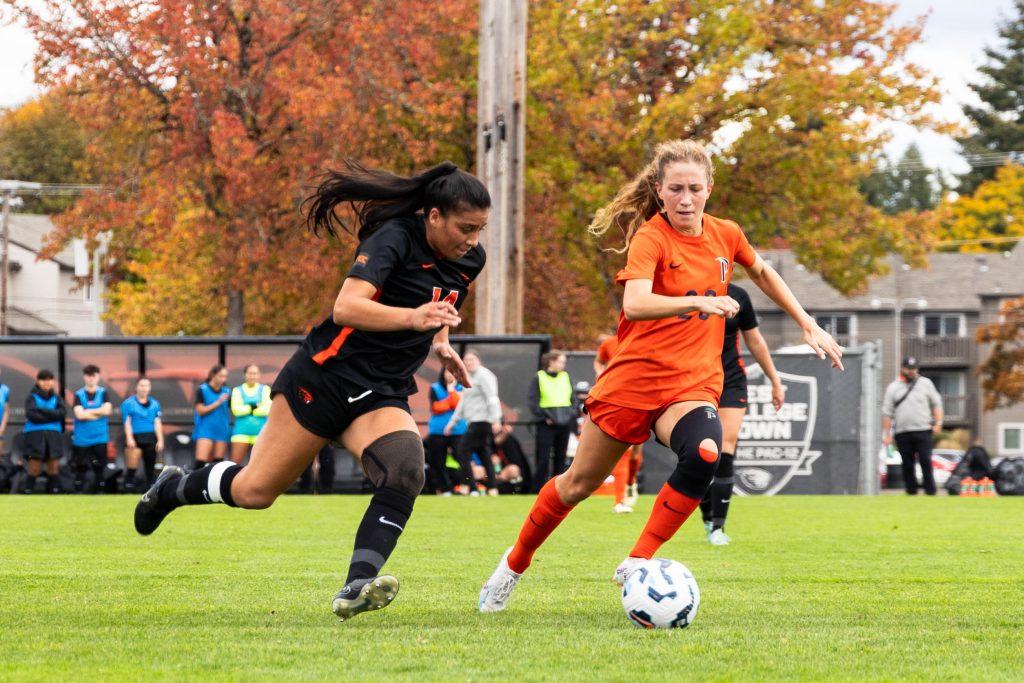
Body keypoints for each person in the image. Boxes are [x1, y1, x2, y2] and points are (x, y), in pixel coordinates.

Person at [479, 138, 843, 612]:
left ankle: (638, 560)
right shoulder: (651, 237)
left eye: (694, 188)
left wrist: (807, 322)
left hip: (691, 386)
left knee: (706, 452)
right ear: (659, 189)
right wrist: (697, 300)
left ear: (709, 188)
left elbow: (765, 272)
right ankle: (514, 563)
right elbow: (636, 303)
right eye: (676, 189)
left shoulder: (726, 234)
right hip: (633, 383)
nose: (686, 199)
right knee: (577, 485)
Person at [133, 159, 489, 623]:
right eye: (466, 228)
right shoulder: (394, 238)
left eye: (480, 230)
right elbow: (347, 307)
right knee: (255, 491)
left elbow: (441, 304)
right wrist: (412, 318)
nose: (473, 241)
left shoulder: (470, 260)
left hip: (381, 391)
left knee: (405, 470)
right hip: (324, 379)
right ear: (433, 216)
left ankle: (357, 584)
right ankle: (173, 488)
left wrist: (440, 344)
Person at [699, 283, 785, 545]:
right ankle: (706, 513)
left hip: (730, 381)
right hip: (694, 379)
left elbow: (755, 340)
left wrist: (775, 381)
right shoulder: (685, 291)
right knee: (699, 453)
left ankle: (718, 527)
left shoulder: (738, 295)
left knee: (726, 446)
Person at [594, 335, 644, 511]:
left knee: (635, 450)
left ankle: (631, 483)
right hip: (617, 398)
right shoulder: (609, 342)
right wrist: (602, 374)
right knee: (624, 449)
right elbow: (599, 361)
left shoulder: (646, 339)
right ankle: (620, 500)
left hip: (643, 398)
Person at [882, 356, 943, 496]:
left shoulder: (925, 383)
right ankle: (911, 491)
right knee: (907, 463)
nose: (911, 371)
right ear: (902, 369)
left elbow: (937, 403)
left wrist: (938, 423)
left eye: (914, 369)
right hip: (902, 431)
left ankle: (930, 491)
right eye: (908, 369)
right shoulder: (893, 387)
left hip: (923, 429)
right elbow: (887, 413)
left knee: (925, 460)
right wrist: (887, 435)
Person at [445, 349, 502, 496]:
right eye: (466, 360)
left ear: (479, 361)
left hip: (482, 421)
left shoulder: (485, 375)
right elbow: (463, 402)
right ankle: (493, 488)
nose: (469, 362)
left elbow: (492, 398)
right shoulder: (467, 376)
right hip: (473, 422)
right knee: (484, 454)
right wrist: (452, 422)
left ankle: (469, 486)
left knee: (462, 450)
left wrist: (496, 419)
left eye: (472, 359)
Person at [528, 351, 577, 491]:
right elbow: (533, 401)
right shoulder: (539, 377)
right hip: (546, 424)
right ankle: (538, 489)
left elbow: (573, 400)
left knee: (561, 458)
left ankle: (558, 490)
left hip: (564, 423)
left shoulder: (566, 377)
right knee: (543, 458)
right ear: (551, 361)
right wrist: (545, 418)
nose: (563, 364)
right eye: (561, 361)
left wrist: (569, 416)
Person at [23, 369, 68, 494]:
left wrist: (41, 410)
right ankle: (28, 492)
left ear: (53, 381)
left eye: (49, 379)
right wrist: (52, 415)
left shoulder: (57, 398)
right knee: (34, 468)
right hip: (34, 435)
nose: (47, 383)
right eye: (43, 380)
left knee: (53, 467)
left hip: (54, 436)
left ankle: (53, 493)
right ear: (38, 381)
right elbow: (32, 415)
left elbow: (62, 413)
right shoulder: (31, 397)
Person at [71, 364, 114, 493]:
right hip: (82, 438)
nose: (91, 379)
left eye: (93, 376)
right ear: (85, 377)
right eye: (88, 376)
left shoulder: (103, 392)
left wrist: (87, 412)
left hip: (100, 436)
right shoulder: (78, 394)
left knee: (100, 466)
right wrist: (98, 411)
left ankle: (100, 491)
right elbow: (79, 414)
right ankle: (79, 491)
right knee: (81, 466)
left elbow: (107, 411)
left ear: (98, 377)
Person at [426, 367, 465, 494]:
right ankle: (445, 489)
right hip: (437, 431)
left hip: (458, 430)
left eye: (453, 372)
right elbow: (436, 407)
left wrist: (451, 391)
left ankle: (468, 486)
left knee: (462, 459)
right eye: (448, 371)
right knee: (438, 461)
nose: (450, 375)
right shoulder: (435, 387)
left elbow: (459, 404)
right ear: (442, 373)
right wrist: (451, 401)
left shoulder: (463, 387)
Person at [122, 377, 164, 490]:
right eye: (141, 385)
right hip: (135, 437)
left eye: (146, 386)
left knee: (150, 467)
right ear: (136, 387)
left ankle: (149, 490)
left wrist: (160, 440)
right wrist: (129, 438)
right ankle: (127, 487)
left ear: (150, 388)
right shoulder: (128, 403)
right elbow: (127, 422)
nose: (144, 388)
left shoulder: (155, 404)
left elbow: (157, 422)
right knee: (132, 466)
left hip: (150, 437)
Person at [230, 364, 272, 464]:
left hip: (260, 433)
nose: (252, 376)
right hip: (240, 433)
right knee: (234, 465)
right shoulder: (237, 390)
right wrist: (255, 407)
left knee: (260, 465)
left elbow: (267, 410)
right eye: (250, 373)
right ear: (245, 375)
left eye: (255, 373)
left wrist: (247, 409)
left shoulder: (265, 389)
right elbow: (236, 411)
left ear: (259, 375)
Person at [193, 365, 231, 467]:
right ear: (213, 375)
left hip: (222, 429)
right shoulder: (202, 389)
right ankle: (197, 483)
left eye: (225, 376)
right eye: (221, 376)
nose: (223, 379)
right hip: (205, 430)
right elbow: (200, 411)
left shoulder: (227, 391)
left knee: (218, 464)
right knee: (200, 463)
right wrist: (218, 402)